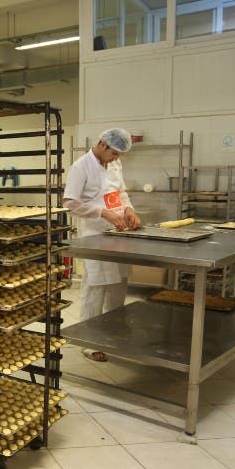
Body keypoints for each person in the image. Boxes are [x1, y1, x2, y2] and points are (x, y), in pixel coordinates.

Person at [64, 128, 140, 362]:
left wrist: (128, 210)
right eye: (115, 154)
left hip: (119, 233)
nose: (117, 159)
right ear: (103, 144)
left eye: (120, 156)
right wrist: (103, 213)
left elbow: (121, 193)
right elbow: (70, 203)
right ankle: (88, 340)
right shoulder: (81, 166)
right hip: (94, 234)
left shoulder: (114, 164)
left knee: (119, 284)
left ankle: (113, 330)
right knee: (95, 286)